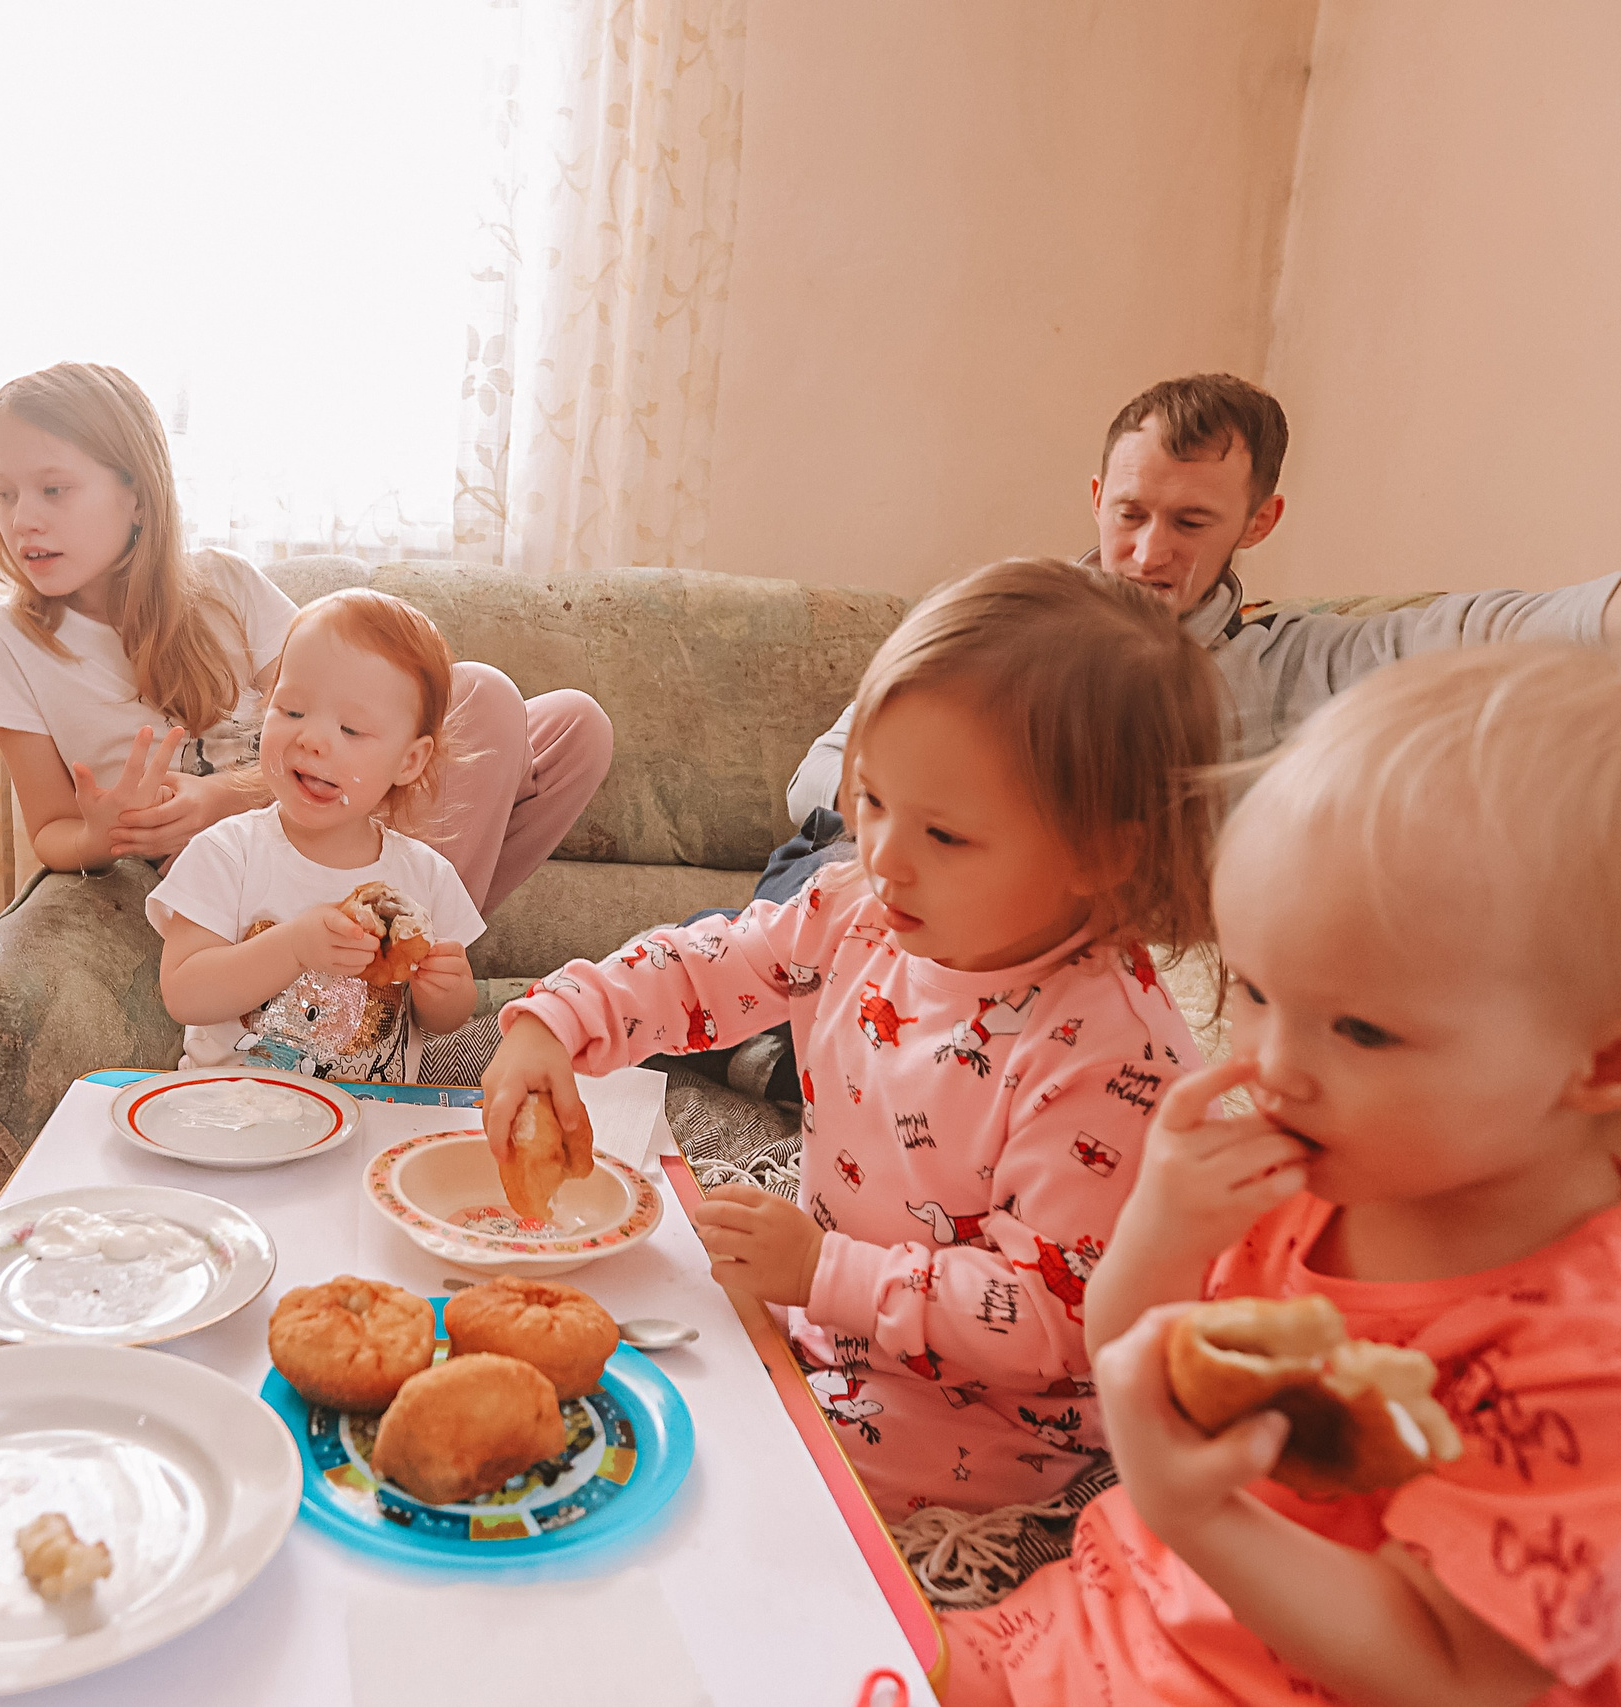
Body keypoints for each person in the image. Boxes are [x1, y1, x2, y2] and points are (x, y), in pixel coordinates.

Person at [939, 643, 1621, 1705]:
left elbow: (1455, 1673)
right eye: (1252, 988)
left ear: (1607, 1063)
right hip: (1102, 1619)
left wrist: (1197, 1516)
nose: (1267, 1069)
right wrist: (1161, 1233)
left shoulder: (1598, 1359)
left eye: (1358, 1029)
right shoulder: (1312, 1172)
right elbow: (1132, 1358)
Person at [481, 558, 1224, 1517]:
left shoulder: (1108, 1056)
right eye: (871, 802)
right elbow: (707, 964)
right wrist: (558, 1016)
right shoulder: (855, 910)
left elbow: (1052, 1317)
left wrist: (825, 1272)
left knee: (716, 1505)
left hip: (973, 1428)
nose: (884, 857)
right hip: (819, 1315)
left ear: (1104, 851)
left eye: (945, 835)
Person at [712, 372, 1621, 1113]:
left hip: (1051, 959)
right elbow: (819, 775)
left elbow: (1499, 625)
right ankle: (776, 1035)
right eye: (1130, 513)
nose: (1150, 551)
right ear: (1095, 498)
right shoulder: (1000, 625)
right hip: (878, 895)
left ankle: (781, 1050)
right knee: (816, 869)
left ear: (1257, 523)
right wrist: (950, 818)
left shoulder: (1289, 661)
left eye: (1192, 522)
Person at [0, 361, 611, 914]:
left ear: (137, 495)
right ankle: (397, 964)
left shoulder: (223, 583)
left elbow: (336, 736)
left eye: (53, 489)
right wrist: (101, 836)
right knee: (487, 697)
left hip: (331, 812)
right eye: (2, 494)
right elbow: (51, 828)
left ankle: (403, 946)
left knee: (566, 723)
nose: (23, 519)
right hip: (250, 869)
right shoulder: (6, 643)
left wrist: (218, 794)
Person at [148, 589, 483, 1082]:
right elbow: (183, 993)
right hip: (233, 1114)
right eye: (293, 711)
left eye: (351, 729)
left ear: (410, 760)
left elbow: (445, 1023)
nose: (312, 739)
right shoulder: (227, 853)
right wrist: (293, 949)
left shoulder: (425, 875)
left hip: (373, 1122)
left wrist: (447, 992)